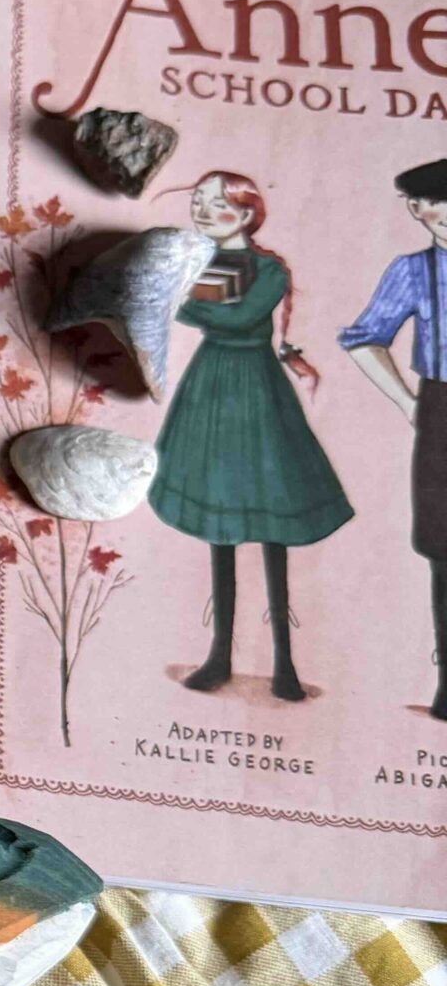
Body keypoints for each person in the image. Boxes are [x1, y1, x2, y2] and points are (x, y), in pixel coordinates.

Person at [149, 171, 351, 699]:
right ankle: (219, 657)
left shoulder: (267, 269)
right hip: (210, 386)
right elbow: (195, 308)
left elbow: (232, 316)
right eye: (197, 201)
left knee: (272, 529)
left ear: (243, 215)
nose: (200, 210)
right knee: (219, 524)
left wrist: (187, 297)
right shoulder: (202, 263)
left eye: (214, 204)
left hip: (256, 388)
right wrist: (190, 296)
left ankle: (284, 661)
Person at [338, 158, 447, 717]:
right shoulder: (413, 270)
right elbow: (363, 337)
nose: (438, 214)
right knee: (443, 548)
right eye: (428, 203)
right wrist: (410, 403)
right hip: (441, 407)